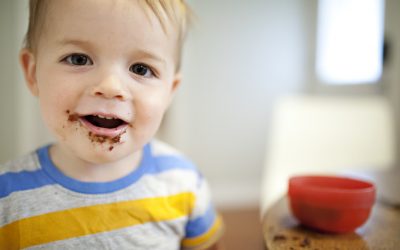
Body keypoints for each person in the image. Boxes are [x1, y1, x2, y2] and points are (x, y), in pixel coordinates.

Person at [0, 0, 224, 249]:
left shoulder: (183, 181)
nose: (110, 87)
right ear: (33, 73)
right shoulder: (7, 198)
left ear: (169, 92)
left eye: (141, 68)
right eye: (78, 59)